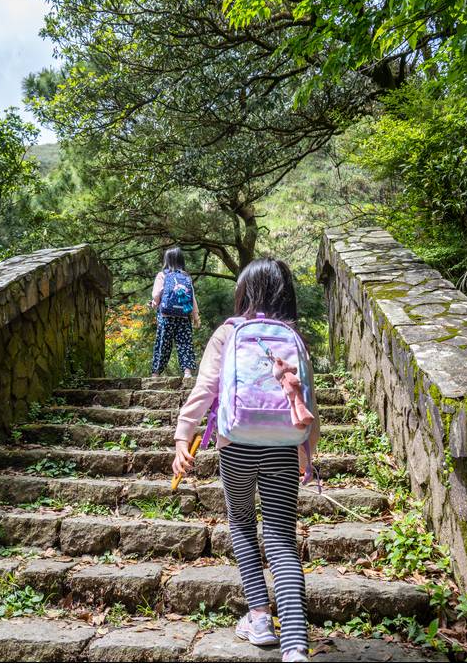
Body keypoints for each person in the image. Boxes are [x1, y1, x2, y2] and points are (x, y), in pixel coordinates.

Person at [171, 257, 319, 663]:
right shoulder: (293, 336)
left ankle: (258, 617)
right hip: (284, 445)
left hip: (235, 445)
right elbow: (306, 400)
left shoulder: (229, 332)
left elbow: (204, 389)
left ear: (244, 291)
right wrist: (309, 452)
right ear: (285, 293)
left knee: (240, 521)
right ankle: (294, 646)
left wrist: (184, 436)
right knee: (281, 538)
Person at [150, 247, 201, 377]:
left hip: (166, 316)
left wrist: (154, 303)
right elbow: (192, 298)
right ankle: (187, 372)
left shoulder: (162, 275)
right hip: (184, 316)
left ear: (166, 260)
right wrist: (196, 316)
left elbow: (156, 294)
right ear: (181, 260)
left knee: (163, 344)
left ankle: (155, 374)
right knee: (185, 344)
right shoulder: (186, 277)